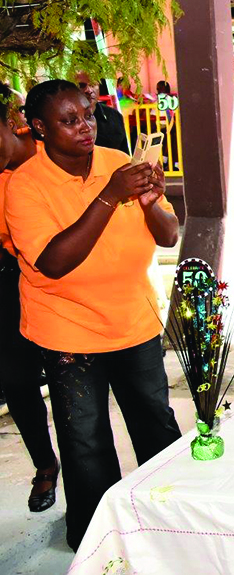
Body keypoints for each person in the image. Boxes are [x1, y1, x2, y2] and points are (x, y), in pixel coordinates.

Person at [7, 80, 182, 550]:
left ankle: (172, 523)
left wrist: (148, 204)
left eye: (87, 114)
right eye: (69, 121)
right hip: (69, 333)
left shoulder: (120, 162)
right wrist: (108, 196)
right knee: (86, 445)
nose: (85, 127)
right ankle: (98, 543)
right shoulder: (25, 185)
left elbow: (168, 236)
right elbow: (54, 261)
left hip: (135, 321)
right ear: (39, 128)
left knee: (157, 428)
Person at [0, 85, 59, 513]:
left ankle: (87, 466)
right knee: (18, 380)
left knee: (69, 377)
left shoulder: (54, 154)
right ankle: (44, 465)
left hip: (60, 282)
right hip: (7, 282)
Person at [76, 72, 129, 153]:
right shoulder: (66, 120)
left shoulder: (114, 116)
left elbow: (125, 155)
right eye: (81, 86)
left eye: (93, 84)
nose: (89, 90)